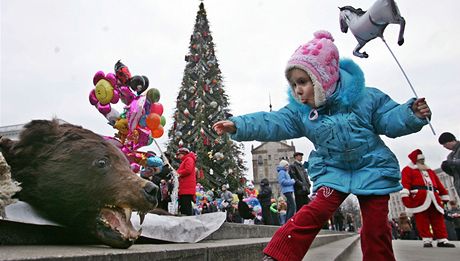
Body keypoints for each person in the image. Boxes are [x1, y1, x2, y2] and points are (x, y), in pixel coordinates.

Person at [212, 30, 431, 261]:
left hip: (372, 168)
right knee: (314, 211)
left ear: (324, 78)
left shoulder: (366, 98)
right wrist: (238, 125)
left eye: (303, 82)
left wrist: (410, 114)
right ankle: (279, 256)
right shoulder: (301, 112)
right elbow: (271, 122)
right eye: (294, 83)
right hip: (332, 170)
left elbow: (389, 119)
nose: (297, 89)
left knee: (376, 226)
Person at [400, 149, 455, 247]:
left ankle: (442, 239)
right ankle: (427, 239)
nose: (422, 162)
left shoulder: (429, 170)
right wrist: (406, 197)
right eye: (420, 160)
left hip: (434, 196)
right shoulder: (407, 170)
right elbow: (405, 184)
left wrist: (444, 194)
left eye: (423, 160)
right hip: (419, 197)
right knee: (422, 219)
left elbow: (438, 183)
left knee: (438, 218)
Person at [438, 132, 460, 197]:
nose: (444, 146)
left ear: (452, 140)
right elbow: (454, 174)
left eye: (445, 144)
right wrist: (447, 169)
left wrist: (452, 162)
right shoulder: (450, 156)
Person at [176, 147, 196, 216]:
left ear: (183, 154)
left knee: (186, 206)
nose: (178, 157)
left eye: (179, 155)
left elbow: (188, 170)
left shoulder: (189, 159)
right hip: (185, 187)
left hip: (186, 188)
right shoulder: (186, 160)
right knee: (184, 206)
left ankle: (188, 221)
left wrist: (178, 173)